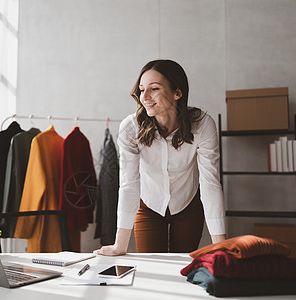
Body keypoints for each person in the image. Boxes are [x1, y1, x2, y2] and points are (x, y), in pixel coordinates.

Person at [95, 59, 226, 256]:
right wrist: (119, 246)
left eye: (154, 89)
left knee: (184, 270)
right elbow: (129, 184)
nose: (144, 97)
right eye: (141, 89)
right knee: (151, 270)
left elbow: (210, 184)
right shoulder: (130, 128)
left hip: (188, 206)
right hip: (149, 207)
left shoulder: (203, 125)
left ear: (177, 93)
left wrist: (221, 247)